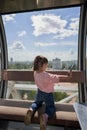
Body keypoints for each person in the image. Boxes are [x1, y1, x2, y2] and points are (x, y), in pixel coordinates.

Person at [24, 55, 72, 130]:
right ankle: (45, 116)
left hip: (39, 92)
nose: (47, 66)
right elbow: (57, 77)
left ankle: (31, 109)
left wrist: (44, 70)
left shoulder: (35, 72)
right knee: (51, 107)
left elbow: (42, 73)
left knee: (36, 103)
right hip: (48, 94)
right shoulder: (46, 75)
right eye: (46, 65)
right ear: (41, 65)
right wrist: (67, 77)